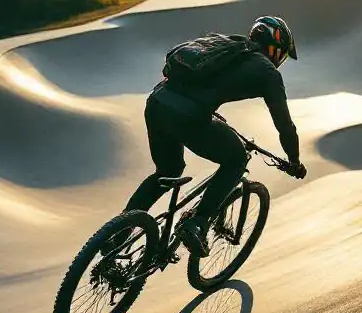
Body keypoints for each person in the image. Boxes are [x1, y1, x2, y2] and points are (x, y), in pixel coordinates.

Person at [122, 15, 306, 257]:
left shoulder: (227, 44)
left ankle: (116, 234)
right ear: (276, 47)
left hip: (157, 102)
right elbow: (285, 125)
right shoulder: (267, 72)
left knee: (167, 172)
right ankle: (197, 223)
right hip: (188, 116)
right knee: (237, 158)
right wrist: (294, 160)